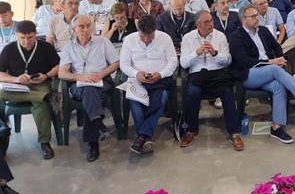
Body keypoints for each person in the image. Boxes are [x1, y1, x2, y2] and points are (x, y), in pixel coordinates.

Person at [228, 6, 295, 145]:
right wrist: (271, 62)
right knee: (275, 70)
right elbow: (244, 61)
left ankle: (277, 127)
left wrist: (281, 59)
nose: (257, 18)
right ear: (243, 20)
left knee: (278, 86)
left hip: (266, 72)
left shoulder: (262, 30)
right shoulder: (236, 36)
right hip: (247, 74)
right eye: (253, 16)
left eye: (257, 15)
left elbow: (276, 46)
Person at [178, 11, 243, 151]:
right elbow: (183, 63)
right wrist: (196, 53)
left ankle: (234, 132)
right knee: (192, 94)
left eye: (211, 21)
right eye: (206, 22)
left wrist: (215, 53)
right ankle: (191, 130)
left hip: (218, 74)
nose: (211, 24)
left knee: (227, 93)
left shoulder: (220, 36)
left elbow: (228, 60)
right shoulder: (188, 38)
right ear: (197, 24)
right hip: (197, 75)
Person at [58, 15, 120, 162]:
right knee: (89, 92)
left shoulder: (103, 42)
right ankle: (98, 127)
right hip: (79, 83)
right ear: (74, 30)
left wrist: (101, 74)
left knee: (90, 95)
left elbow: (116, 63)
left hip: (102, 81)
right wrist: (82, 77)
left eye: (88, 26)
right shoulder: (68, 48)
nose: (85, 30)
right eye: (81, 27)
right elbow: (62, 72)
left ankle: (94, 140)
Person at [0, 21, 60, 159]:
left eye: (30, 37)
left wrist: (46, 75)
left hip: (39, 83)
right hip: (17, 85)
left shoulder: (45, 47)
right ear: (16, 35)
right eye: (22, 38)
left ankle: (44, 143)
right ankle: (47, 97)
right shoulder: (8, 49)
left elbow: (58, 66)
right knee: (1, 92)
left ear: (35, 34)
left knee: (41, 105)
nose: (26, 41)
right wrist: (16, 79)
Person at [119, 15, 178, 154]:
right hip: (138, 79)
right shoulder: (129, 40)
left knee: (160, 99)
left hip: (160, 79)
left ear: (154, 31)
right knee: (135, 102)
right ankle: (146, 137)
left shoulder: (164, 38)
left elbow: (173, 61)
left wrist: (161, 74)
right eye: (143, 36)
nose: (146, 40)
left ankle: (141, 137)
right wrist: (136, 74)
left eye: (149, 37)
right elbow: (124, 64)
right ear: (138, 31)